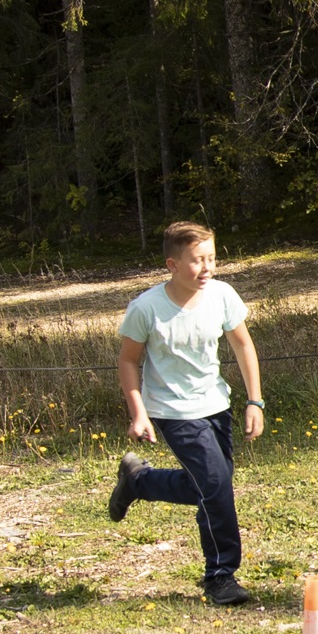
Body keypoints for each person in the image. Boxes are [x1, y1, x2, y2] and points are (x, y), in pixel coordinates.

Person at [108, 221, 267, 604]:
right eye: (197, 260)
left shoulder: (222, 295)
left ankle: (139, 481)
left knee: (211, 485)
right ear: (172, 264)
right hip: (172, 410)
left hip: (215, 404)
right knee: (215, 485)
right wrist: (139, 413)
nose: (207, 267)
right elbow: (128, 361)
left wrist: (254, 400)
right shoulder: (147, 308)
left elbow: (244, 346)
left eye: (211, 258)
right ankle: (220, 576)